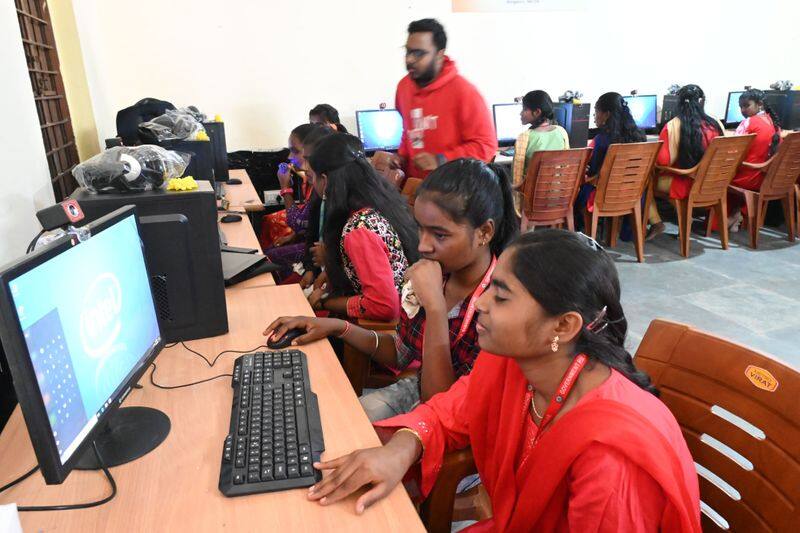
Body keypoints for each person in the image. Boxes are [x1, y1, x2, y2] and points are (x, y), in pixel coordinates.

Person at [303, 230, 701, 532]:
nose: (481, 305)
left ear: (563, 325)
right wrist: (400, 450)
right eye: (490, 288)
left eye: (502, 296)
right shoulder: (517, 365)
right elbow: (452, 408)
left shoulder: (611, 459)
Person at [265, 159, 518, 421]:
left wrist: (435, 309)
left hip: (458, 423)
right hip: (417, 391)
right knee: (324, 421)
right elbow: (400, 352)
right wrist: (338, 328)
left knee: (339, 434)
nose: (423, 246)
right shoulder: (437, 276)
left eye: (439, 235)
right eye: (420, 229)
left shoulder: (499, 309)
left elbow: (440, 407)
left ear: (485, 232)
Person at [304, 133, 418, 321]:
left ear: (325, 180)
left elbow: (384, 306)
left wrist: (324, 301)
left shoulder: (359, 229)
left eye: (312, 178)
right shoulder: (378, 203)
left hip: (384, 332)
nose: (312, 184)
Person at [392, 18, 497, 179]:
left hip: (453, 192)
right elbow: (410, 130)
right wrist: (401, 156)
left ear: (440, 55)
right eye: (408, 51)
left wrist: (441, 159)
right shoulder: (403, 87)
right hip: (415, 190)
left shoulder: (464, 92)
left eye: (419, 53)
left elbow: (486, 146)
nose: (409, 59)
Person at [647, 85, 725, 239]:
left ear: (679, 102)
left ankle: (656, 223)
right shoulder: (716, 123)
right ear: (701, 101)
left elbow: (663, 161)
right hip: (714, 182)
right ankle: (684, 217)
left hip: (686, 182)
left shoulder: (673, 125)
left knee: (643, 184)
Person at [262, 123, 330, 281]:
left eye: (295, 151)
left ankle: (293, 287)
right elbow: (309, 222)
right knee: (271, 248)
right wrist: (293, 235)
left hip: (319, 250)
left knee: (269, 257)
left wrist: (285, 187)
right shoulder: (312, 178)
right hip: (313, 243)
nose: (289, 158)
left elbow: (298, 222)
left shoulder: (322, 182)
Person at [578, 92, 647, 228]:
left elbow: (593, 173)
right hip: (633, 193)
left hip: (604, 195)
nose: (594, 116)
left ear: (606, 114)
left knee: (578, 189)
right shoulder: (640, 137)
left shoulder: (602, 140)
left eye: (596, 112)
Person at [511, 90, 570, 215]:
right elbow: (566, 168)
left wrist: (515, 204)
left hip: (532, 199)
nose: (521, 113)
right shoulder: (562, 132)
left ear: (537, 112)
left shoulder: (524, 137)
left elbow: (516, 176)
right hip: (558, 195)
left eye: (524, 109)